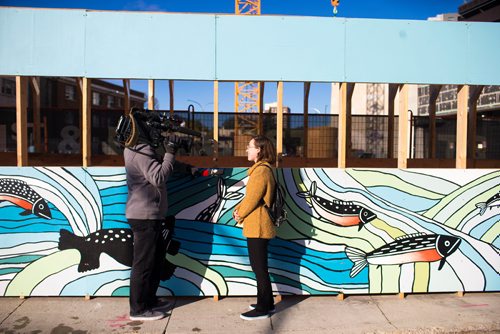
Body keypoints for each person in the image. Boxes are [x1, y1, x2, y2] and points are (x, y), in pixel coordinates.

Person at [124, 121, 181, 321]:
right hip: (144, 216)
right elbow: (157, 176)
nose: (158, 134)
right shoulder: (141, 150)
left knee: (155, 261)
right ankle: (138, 310)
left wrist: (178, 163)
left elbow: (156, 168)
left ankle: (149, 300)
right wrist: (171, 152)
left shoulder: (138, 149)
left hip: (151, 215)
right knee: (143, 264)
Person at [233, 135, 277, 321]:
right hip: (257, 224)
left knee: (259, 268)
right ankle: (267, 303)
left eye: (250, 147)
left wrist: (240, 213)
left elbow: (252, 199)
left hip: (258, 225)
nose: (247, 150)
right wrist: (239, 210)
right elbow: (251, 197)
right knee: (260, 267)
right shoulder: (261, 170)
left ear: (259, 150)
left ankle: (262, 309)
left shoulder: (260, 171)